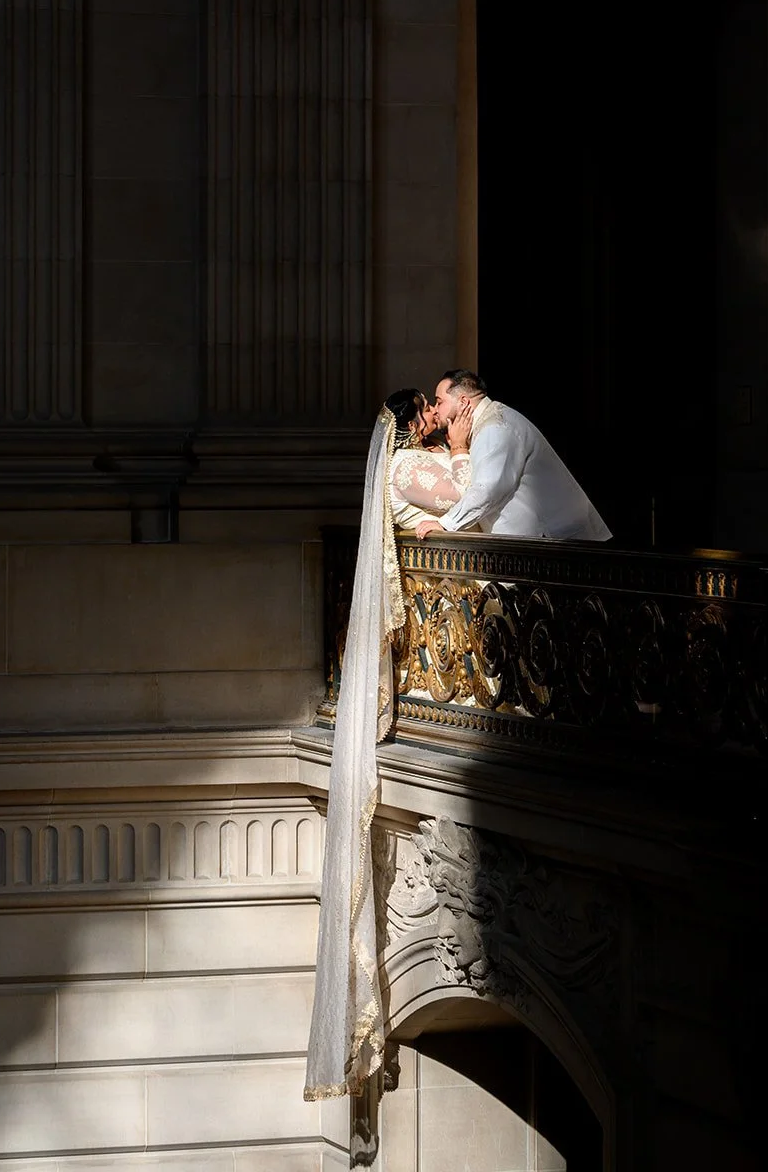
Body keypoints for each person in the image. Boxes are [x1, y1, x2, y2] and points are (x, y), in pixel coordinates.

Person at [303, 388, 472, 1107]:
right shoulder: (408, 468)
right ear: (412, 425)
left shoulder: (412, 459)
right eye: (433, 414)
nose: (442, 421)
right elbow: (468, 496)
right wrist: (466, 446)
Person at [415, 369, 611, 543]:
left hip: (558, 540)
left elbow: (488, 488)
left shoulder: (496, 427)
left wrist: (446, 524)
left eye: (439, 402)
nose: (435, 409)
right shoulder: (487, 422)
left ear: (464, 402)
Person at [384, 386, 474, 531]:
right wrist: (459, 445)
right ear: (412, 426)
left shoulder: (435, 443)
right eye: (426, 410)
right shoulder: (405, 466)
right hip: (444, 550)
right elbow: (462, 499)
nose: (434, 410)